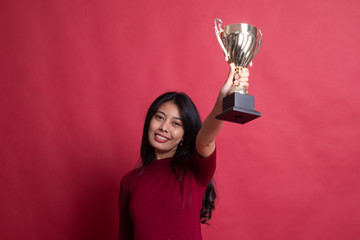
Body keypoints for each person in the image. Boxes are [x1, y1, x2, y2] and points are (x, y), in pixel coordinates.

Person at [119, 63, 249, 240]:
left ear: (184, 136)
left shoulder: (194, 170)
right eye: (159, 118)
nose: (164, 128)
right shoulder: (129, 181)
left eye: (176, 123)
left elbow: (205, 139)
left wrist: (222, 102)